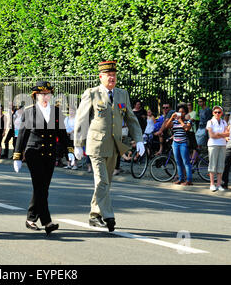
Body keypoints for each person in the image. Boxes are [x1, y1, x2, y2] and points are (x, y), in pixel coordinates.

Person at [73, 61, 144, 232]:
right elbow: (81, 120)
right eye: (108, 75)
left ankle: (94, 215)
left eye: (114, 75)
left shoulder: (122, 94)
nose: (112, 78)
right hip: (96, 145)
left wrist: (139, 139)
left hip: (114, 146)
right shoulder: (91, 94)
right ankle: (108, 215)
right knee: (102, 181)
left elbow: (131, 119)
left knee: (106, 183)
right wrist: (77, 144)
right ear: (101, 76)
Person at [13, 81, 73, 235]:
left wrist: (70, 151)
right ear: (35, 96)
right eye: (42, 94)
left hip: (50, 154)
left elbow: (62, 133)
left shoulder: (56, 111)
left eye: (48, 94)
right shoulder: (29, 111)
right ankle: (47, 222)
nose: (45, 97)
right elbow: (22, 135)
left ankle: (31, 218)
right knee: (40, 187)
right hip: (34, 153)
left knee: (42, 188)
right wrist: (17, 156)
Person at [164, 104, 193, 185]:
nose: (181, 113)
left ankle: (189, 180)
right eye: (179, 112)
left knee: (186, 162)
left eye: (183, 112)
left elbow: (187, 128)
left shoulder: (188, 121)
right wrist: (171, 117)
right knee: (178, 162)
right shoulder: (174, 121)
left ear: (185, 113)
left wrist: (180, 120)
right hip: (175, 143)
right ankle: (181, 179)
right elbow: (167, 126)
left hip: (183, 143)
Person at [207, 106, 229, 191]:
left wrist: (218, 134)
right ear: (213, 113)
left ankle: (219, 184)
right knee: (212, 164)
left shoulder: (224, 122)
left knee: (220, 165)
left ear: (221, 113)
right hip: (213, 145)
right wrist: (222, 134)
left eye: (219, 112)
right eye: (215, 112)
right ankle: (212, 184)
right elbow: (211, 135)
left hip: (222, 144)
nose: (217, 113)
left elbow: (228, 134)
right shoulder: (210, 122)